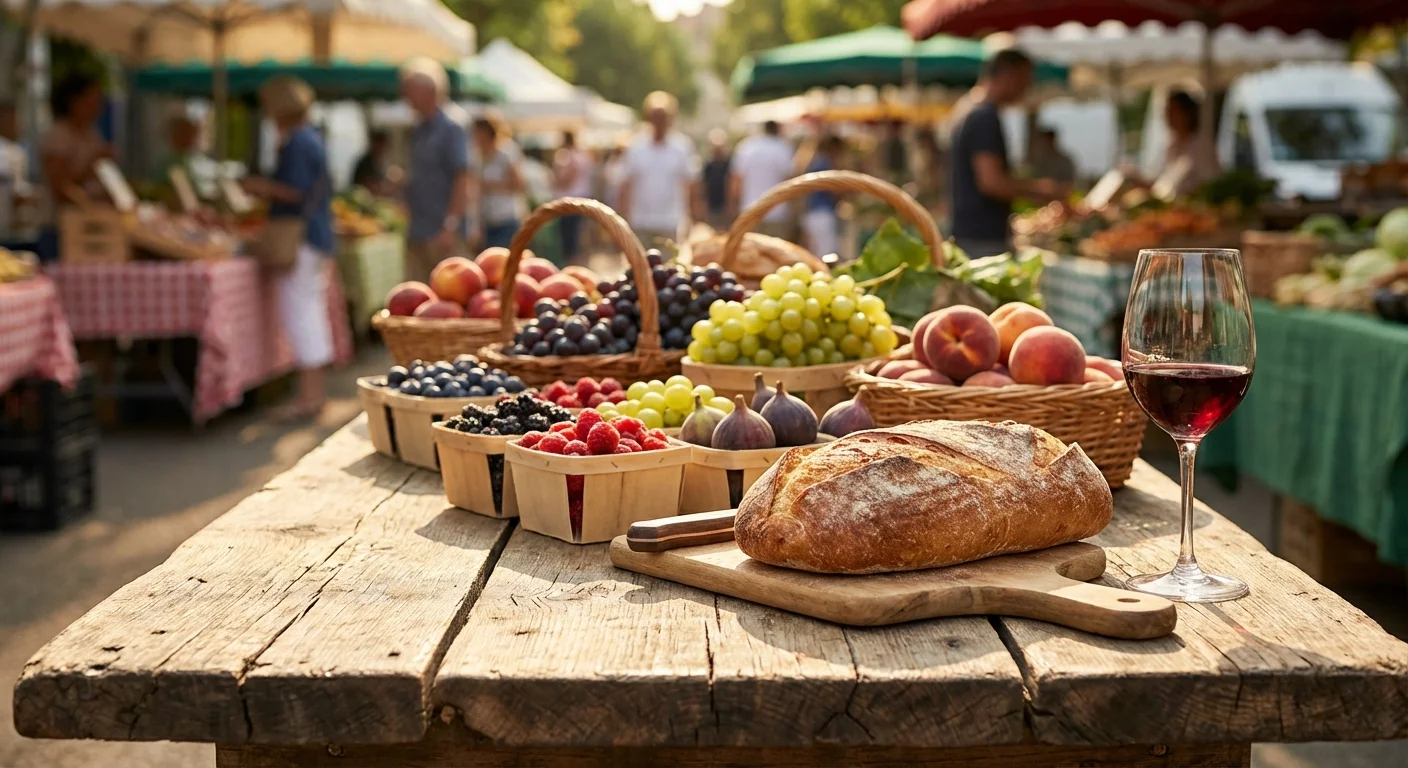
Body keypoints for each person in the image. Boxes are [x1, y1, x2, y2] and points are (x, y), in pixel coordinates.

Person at [243, 76, 334, 420]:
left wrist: (258, 186)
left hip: (300, 237)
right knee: (309, 311)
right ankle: (314, 394)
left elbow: (293, 192)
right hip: (314, 235)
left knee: (302, 314)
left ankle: (309, 397)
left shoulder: (298, 143)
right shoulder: (311, 138)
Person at [947, 49, 1060, 258]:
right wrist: (1039, 190)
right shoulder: (984, 117)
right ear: (1009, 75)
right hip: (983, 239)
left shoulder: (967, 109)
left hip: (969, 234)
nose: (1026, 88)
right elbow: (991, 182)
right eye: (1024, 80)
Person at [399, 58, 470, 281]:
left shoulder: (452, 127)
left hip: (442, 232)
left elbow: (463, 177)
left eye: (409, 90)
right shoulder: (419, 129)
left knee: (450, 293)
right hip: (419, 228)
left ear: (429, 91)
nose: (406, 98)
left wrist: (450, 225)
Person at [38, 72, 112, 262]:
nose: (98, 104)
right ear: (74, 101)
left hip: (87, 226)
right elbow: (60, 186)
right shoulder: (58, 136)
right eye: (93, 98)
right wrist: (92, 165)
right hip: (61, 228)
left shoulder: (91, 134)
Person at [618, 91, 697, 247]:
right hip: (640, 220)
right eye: (656, 116)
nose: (659, 122)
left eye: (663, 117)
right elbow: (626, 184)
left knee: (668, 268)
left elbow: (690, 185)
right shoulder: (636, 146)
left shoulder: (682, 147)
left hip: (670, 221)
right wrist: (622, 219)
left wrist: (692, 217)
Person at [470, 116, 526, 250]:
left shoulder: (506, 153)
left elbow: (519, 184)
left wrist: (491, 185)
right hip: (487, 221)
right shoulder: (477, 158)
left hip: (506, 218)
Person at [730, 120, 794, 237]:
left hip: (750, 211)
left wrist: (733, 209)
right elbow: (789, 181)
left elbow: (737, 181)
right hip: (776, 212)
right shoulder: (782, 147)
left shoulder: (747, 147)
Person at [1156, 91, 1219, 197]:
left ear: (1188, 113)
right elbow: (1163, 181)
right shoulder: (1171, 145)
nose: (1168, 117)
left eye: (1173, 111)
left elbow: (1210, 183)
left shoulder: (1201, 145)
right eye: (1167, 112)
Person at [801, 135, 846, 259]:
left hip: (814, 213)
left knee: (817, 251)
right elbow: (834, 191)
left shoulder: (816, 162)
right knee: (826, 253)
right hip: (822, 214)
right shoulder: (824, 164)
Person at [553, 131, 594, 261]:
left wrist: (558, 182)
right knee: (577, 232)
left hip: (570, 199)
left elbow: (569, 176)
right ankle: (577, 259)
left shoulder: (569, 156)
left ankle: (572, 261)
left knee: (569, 234)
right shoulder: (583, 154)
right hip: (582, 197)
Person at [701, 129, 731, 231]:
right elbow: (704, 185)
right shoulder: (708, 165)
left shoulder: (729, 164)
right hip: (712, 206)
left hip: (725, 206)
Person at [351, 130, 391, 194]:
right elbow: (368, 186)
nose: (383, 149)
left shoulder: (377, 161)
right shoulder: (365, 163)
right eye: (381, 145)